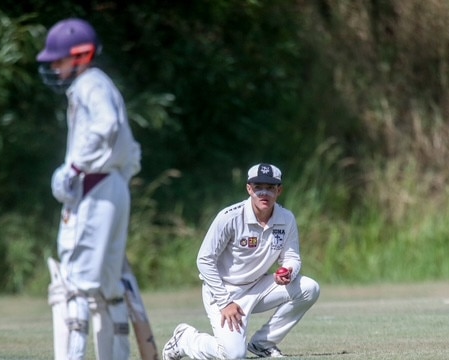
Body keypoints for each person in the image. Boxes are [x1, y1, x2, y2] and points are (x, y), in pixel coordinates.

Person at [36, 18, 142, 360]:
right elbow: (131, 149)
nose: (54, 66)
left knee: (76, 286)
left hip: (95, 189)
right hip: (113, 188)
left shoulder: (88, 85)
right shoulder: (103, 85)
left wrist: (77, 167)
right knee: (109, 286)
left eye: (59, 59)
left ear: (81, 55)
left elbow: (106, 126)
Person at [163, 163, 320, 359]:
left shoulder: (286, 218)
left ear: (279, 190)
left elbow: (292, 257)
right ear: (249, 189)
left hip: (258, 286)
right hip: (224, 291)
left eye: (270, 188)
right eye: (258, 187)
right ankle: (185, 339)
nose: (264, 193)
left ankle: (263, 343)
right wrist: (225, 302)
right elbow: (204, 260)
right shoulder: (230, 217)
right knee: (234, 355)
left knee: (309, 288)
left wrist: (288, 271)